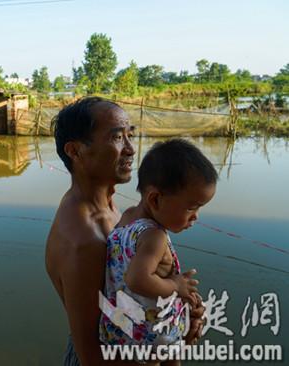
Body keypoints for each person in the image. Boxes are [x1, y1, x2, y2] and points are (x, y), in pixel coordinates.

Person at [45, 97, 205, 366]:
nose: (131, 149)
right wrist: (168, 348)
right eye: (117, 137)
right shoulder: (83, 241)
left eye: (130, 135)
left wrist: (176, 312)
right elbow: (94, 356)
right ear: (75, 151)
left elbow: (117, 306)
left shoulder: (110, 208)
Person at [99, 139, 217, 365]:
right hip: (151, 336)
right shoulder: (155, 236)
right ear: (155, 199)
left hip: (121, 327)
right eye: (191, 207)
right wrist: (176, 286)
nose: (196, 216)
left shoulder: (126, 217)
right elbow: (136, 279)